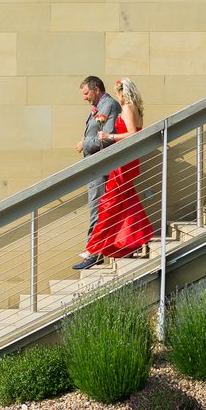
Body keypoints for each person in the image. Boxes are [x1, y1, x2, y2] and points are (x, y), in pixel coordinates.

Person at [85, 78, 155, 258]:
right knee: (126, 199)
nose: (117, 96)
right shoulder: (134, 108)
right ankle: (135, 238)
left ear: (124, 92)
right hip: (128, 158)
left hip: (125, 160)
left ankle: (94, 247)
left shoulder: (128, 107)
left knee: (110, 201)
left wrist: (110, 135)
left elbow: (132, 134)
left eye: (118, 92)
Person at [73, 76, 120, 271]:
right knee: (98, 208)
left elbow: (107, 137)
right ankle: (96, 250)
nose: (84, 98)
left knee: (97, 208)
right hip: (95, 167)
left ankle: (93, 253)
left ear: (97, 89)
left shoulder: (109, 105)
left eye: (86, 93)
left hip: (101, 168)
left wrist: (85, 143)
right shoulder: (102, 105)